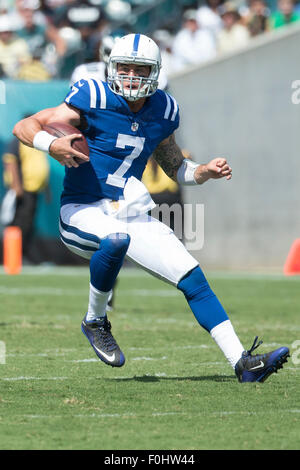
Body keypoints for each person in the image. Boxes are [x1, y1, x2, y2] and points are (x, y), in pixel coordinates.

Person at [13, 33, 289, 382]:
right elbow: (24, 126)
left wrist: (202, 171)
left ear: (154, 73)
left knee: (192, 275)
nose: (130, 76)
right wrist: (50, 144)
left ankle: (243, 363)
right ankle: (95, 320)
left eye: (138, 69)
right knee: (114, 240)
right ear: (111, 68)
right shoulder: (92, 94)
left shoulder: (165, 109)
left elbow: (174, 166)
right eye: (124, 68)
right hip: (81, 210)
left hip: (127, 211)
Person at [1, 132, 50, 263]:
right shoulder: (18, 141)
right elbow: (10, 161)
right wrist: (16, 185)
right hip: (22, 190)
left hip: (34, 190)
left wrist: (47, 190)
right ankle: (14, 257)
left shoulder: (37, 143)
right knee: (19, 224)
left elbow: (41, 166)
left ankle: (22, 255)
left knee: (28, 224)